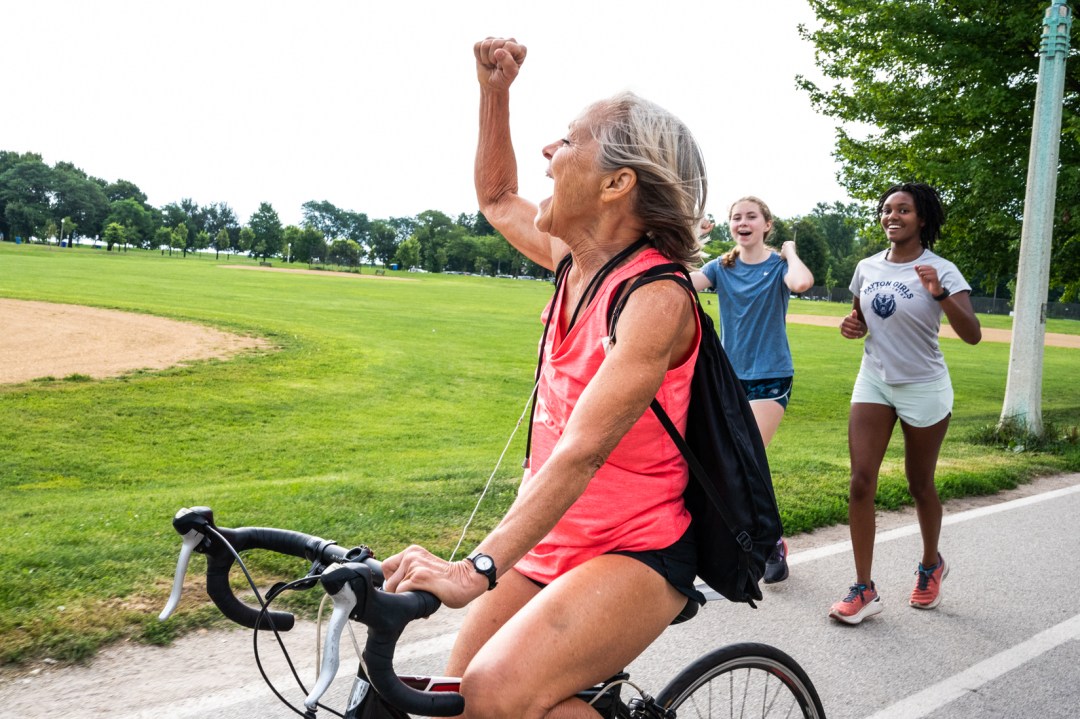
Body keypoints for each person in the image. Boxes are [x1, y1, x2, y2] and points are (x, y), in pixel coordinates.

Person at [381, 38, 709, 718]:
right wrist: (494, 92)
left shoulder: (657, 298)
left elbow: (583, 449)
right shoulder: (572, 256)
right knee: (455, 698)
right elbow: (497, 195)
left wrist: (474, 568)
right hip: (552, 539)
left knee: (495, 692)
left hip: (637, 550)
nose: (548, 154)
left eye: (567, 142)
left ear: (617, 183)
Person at [829, 182, 981, 625]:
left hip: (924, 386)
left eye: (903, 210)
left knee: (920, 484)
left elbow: (971, 333)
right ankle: (864, 588)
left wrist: (938, 294)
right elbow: (860, 317)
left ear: (923, 219)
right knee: (860, 481)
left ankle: (931, 563)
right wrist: (851, 325)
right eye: (886, 209)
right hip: (875, 381)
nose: (892, 216)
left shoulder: (943, 270)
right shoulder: (867, 266)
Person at [691, 196, 814, 584]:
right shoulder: (721, 267)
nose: (742, 222)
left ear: (766, 224)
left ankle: (772, 541)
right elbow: (676, 281)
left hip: (771, 376)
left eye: (751, 217)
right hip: (730, 377)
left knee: (748, 459)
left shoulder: (780, 266)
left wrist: (790, 250)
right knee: (724, 461)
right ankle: (731, 539)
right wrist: (693, 239)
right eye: (736, 217)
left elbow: (802, 282)